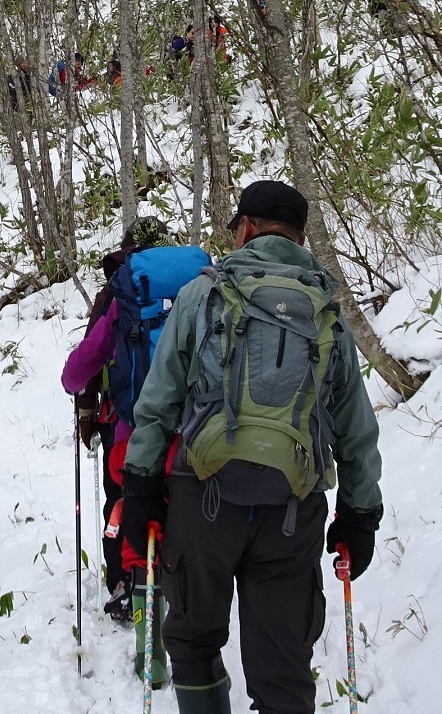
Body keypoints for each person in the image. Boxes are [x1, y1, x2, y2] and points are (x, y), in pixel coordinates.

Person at [120, 181, 384, 714]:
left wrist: (142, 485)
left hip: (204, 497)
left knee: (193, 640)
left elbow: (159, 400)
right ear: (301, 237)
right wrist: (360, 514)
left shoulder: (203, 294)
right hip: (294, 506)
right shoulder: (326, 312)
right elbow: (356, 429)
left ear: (246, 227)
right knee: (283, 664)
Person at [61, 215, 173, 625]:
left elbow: (85, 363)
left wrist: (80, 398)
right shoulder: (198, 287)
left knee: (124, 500)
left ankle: (128, 583)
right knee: (175, 499)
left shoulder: (119, 293)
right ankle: (175, 581)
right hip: (190, 428)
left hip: (128, 425)